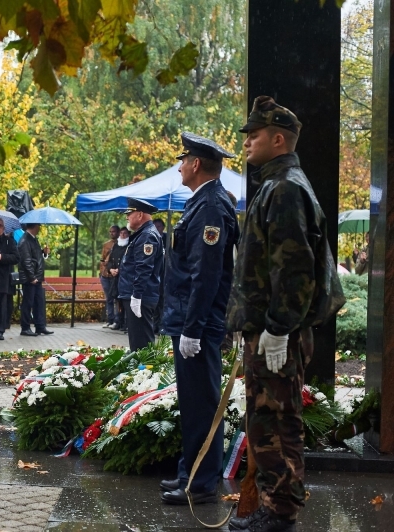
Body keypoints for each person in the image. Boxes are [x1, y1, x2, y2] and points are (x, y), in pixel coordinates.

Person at [226, 96, 345, 532]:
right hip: (270, 331)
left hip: (278, 334)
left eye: (254, 136)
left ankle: (280, 515)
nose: (247, 144)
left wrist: (277, 329)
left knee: (276, 423)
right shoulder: (278, 186)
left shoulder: (286, 188)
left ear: (279, 139)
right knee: (267, 422)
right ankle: (276, 509)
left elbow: (293, 270)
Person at [158, 133, 240, 506]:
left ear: (195, 165)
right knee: (193, 402)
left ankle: (202, 483)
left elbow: (204, 275)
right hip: (189, 320)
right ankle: (189, 472)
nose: (179, 166)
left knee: (202, 403)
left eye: (183, 159)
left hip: (199, 325)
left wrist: (192, 328)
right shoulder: (202, 202)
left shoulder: (210, 207)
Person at [118, 198, 164, 352]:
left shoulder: (147, 236)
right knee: (138, 341)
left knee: (141, 344)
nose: (127, 217)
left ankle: (145, 373)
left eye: (130, 213)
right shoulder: (142, 234)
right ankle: (142, 372)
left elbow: (143, 268)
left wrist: (136, 296)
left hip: (140, 297)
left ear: (139, 215)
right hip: (137, 295)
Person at [18, 223, 53, 336]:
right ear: (34, 226)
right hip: (30, 278)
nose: (40, 228)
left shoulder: (33, 239)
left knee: (39, 302)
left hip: (36, 277)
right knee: (28, 303)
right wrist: (31, 277)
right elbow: (26, 261)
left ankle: (40, 326)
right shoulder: (24, 241)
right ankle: (25, 327)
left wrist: (44, 252)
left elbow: (35, 257)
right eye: (39, 226)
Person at [107, 227, 130, 331]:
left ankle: (126, 323)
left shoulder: (130, 246)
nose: (123, 235)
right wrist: (111, 269)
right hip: (115, 278)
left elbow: (129, 261)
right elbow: (110, 260)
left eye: (125, 233)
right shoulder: (116, 245)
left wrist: (120, 270)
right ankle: (118, 321)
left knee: (126, 301)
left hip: (126, 278)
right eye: (121, 233)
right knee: (118, 301)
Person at [99, 225, 120, 328]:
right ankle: (110, 320)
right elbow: (102, 259)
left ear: (118, 232)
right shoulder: (106, 245)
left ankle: (117, 320)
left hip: (115, 275)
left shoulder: (121, 244)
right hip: (105, 275)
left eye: (114, 231)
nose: (112, 233)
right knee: (109, 298)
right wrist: (103, 271)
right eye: (110, 232)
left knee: (116, 298)